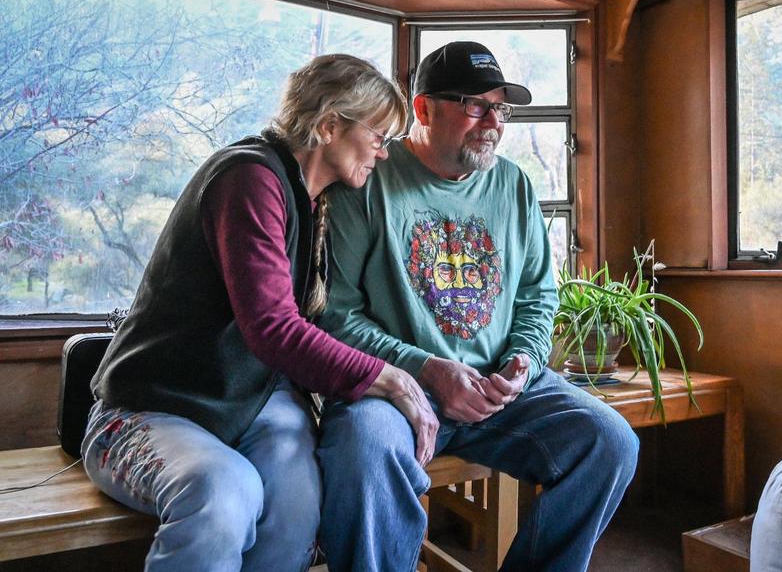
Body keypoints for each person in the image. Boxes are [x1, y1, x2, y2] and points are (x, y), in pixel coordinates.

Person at [83, 54, 439, 572]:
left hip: (243, 403)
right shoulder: (249, 177)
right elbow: (273, 328)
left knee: (298, 504)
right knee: (224, 491)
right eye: (379, 135)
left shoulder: (315, 200)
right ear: (329, 124)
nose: (384, 153)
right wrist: (391, 378)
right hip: (147, 407)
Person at [317, 41, 640, 572]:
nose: (492, 121)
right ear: (423, 109)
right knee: (363, 449)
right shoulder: (368, 178)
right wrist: (427, 369)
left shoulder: (513, 184)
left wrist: (524, 363)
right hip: (397, 389)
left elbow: (539, 296)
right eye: (474, 105)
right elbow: (337, 316)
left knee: (609, 442)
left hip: (501, 390)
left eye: (501, 108)